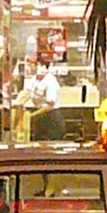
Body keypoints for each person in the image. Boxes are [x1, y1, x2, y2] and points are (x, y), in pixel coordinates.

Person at [28, 63, 65, 197]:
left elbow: (50, 105)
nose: (31, 67)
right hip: (41, 119)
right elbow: (26, 93)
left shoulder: (51, 81)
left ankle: (51, 189)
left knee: (51, 156)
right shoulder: (34, 80)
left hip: (52, 120)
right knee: (41, 156)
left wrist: (32, 115)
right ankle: (46, 187)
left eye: (34, 64)